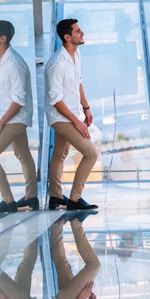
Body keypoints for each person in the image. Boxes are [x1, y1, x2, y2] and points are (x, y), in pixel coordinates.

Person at [45, 19, 99, 211]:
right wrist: (77, 122)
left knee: (60, 155)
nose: (82, 33)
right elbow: (56, 100)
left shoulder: (77, 54)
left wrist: (86, 107)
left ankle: (55, 196)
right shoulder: (57, 64)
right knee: (91, 153)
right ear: (67, 37)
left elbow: (78, 81)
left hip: (73, 113)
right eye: (78, 31)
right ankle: (74, 200)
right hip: (61, 117)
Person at [0, 20, 38, 213]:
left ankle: (8, 202)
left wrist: (1, 122)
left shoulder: (14, 64)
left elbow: (18, 100)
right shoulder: (3, 61)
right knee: (23, 155)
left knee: (23, 156)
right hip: (10, 117)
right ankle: (31, 198)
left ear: (3, 38)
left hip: (15, 119)